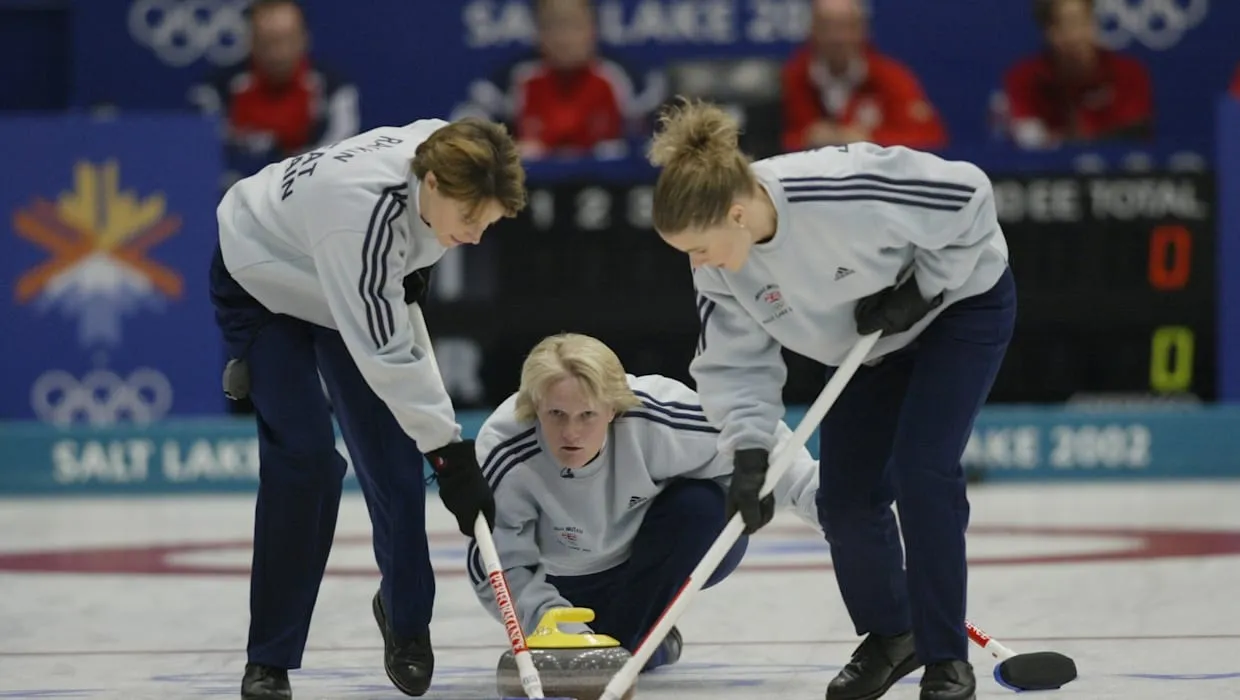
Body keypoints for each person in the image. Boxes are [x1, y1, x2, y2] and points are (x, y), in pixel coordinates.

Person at [646, 99, 1016, 700]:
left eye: (698, 247)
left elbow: (968, 195)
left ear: (737, 214)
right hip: (866, 345)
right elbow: (736, 363)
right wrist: (748, 455)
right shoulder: (720, 267)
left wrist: (921, 289)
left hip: (958, 309)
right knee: (845, 500)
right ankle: (895, 634)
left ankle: (947, 657)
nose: (696, 263)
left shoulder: (839, 187)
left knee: (923, 470)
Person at [208, 117, 527, 700]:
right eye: (472, 220)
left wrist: (418, 266)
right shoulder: (363, 221)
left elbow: (388, 299)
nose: (478, 236)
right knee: (304, 462)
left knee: (392, 456)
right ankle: (269, 657)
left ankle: (405, 619)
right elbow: (387, 354)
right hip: (263, 273)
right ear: (430, 186)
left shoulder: (449, 151)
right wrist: (452, 455)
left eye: (490, 222)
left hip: (345, 272)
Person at [464, 333, 822, 670]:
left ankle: (625, 644)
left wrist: (835, 511)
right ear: (535, 407)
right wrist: (548, 621)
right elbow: (495, 561)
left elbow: (762, 443)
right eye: (556, 415)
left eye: (587, 415)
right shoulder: (504, 449)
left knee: (704, 506)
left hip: (647, 565)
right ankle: (645, 643)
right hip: (562, 582)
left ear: (613, 410)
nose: (570, 432)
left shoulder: (654, 415)